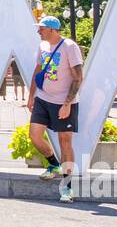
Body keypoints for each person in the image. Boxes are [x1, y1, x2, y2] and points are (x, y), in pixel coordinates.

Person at [26, 17, 85, 203]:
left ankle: (67, 187)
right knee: (34, 135)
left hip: (63, 101)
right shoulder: (43, 46)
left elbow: (78, 78)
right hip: (43, 98)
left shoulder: (69, 46)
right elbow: (38, 71)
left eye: (41, 28)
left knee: (65, 141)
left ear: (53, 29)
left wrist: (67, 104)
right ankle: (53, 164)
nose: (39, 32)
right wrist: (31, 95)